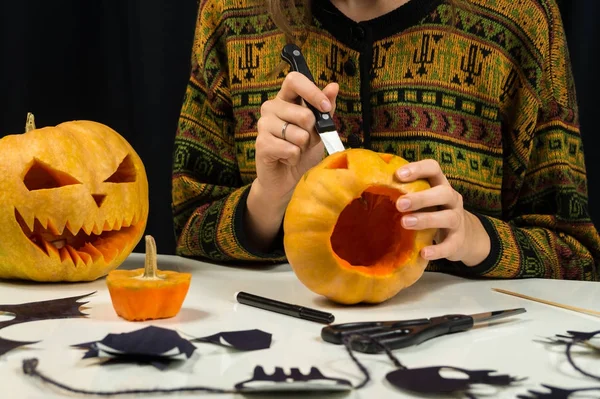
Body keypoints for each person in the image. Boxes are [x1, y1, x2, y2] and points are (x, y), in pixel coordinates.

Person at [171, 0, 600, 280]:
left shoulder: (519, 19)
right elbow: (187, 234)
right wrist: (267, 200)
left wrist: (474, 237)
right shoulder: (229, 14)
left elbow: (577, 259)